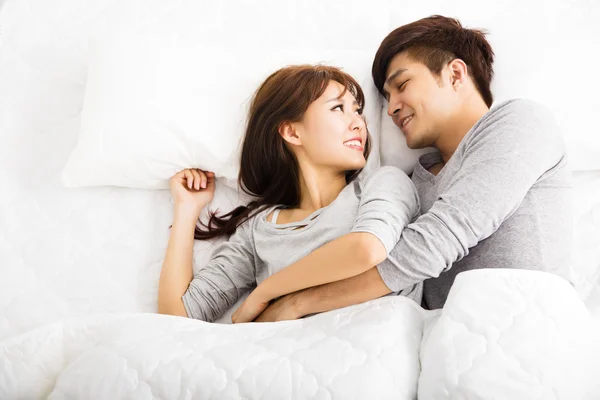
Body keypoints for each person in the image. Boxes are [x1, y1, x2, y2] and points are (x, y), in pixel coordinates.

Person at [240, 15, 572, 323]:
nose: (391, 109)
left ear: (455, 74)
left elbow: (431, 245)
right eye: (385, 98)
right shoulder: (414, 181)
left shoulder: (519, 122)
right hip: (447, 347)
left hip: (530, 328)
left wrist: (294, 302)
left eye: (402, 85)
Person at [157, 64, 421, 322]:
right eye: (338, 108)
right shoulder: (258, 229)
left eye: (358, 111)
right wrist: (186, 209)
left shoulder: (384, 182)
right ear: (292, 132)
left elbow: (366, 249)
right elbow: (177, 318)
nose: (358, 123)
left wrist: (267, 291)